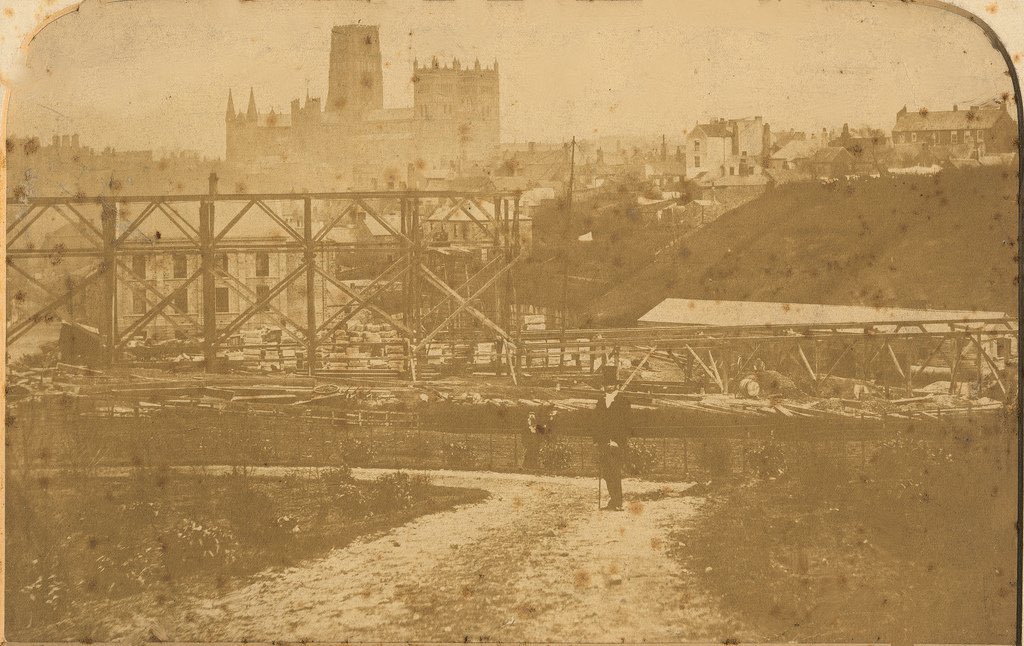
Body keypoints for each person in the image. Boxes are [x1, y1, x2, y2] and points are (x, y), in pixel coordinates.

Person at [594, 379, 631, 511]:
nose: (608, 386)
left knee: (615, 472)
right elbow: (596, 422)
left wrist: (618, 441)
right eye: (606, 384)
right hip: (604, 442)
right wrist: (597, 440)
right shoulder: (601, 401)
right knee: (607, 473)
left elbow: (626, 423)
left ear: (616, 385)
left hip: (617, 443)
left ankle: (618, 502)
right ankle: (613, 500)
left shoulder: (623, 401)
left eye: (611, 384)